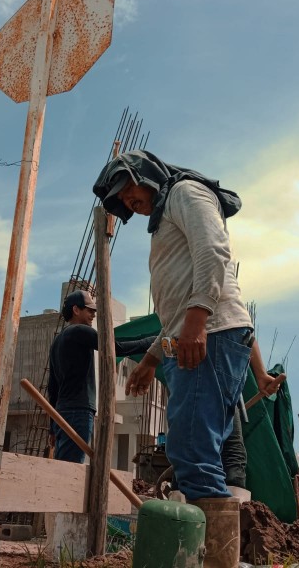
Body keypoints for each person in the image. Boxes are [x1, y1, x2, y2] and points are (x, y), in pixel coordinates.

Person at [93, 150, 279, 568]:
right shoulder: (163, 219)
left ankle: (217, 562)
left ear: (143, 175)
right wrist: (152, 359)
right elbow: (173, 313)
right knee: (194, 452)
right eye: (120, 202)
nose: (126, 204)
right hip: (199, 333)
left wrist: (197, 319)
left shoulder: (185, 192)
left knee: (193, 452)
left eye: (126, 192)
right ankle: (218, 559)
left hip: (210, 334)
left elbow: (214, 250)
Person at [47, 289, 154, 463]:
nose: (93, 314)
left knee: (63, 466)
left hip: (62, 412)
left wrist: (52, 426)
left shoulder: (58, 341)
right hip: (78, 411)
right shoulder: (79, 331)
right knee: (71, 469)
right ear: (76, 310)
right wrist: (154, 343)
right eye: (89, 310)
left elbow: (53, 388)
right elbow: (115, 347)